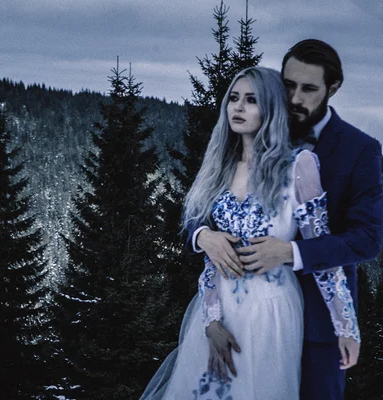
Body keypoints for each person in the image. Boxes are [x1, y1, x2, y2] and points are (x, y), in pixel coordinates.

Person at [140, 66, 360, 400]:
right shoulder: (220, 165)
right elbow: (210, 252)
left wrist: (346, 328)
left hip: (271, 311)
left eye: (252, 100)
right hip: (215, 310)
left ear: (271, 108)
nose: (238, 108)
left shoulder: (299, 165)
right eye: (234, 98)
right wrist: (211, 320)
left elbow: (324, 251)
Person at [195, 39, 383, 399]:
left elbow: (367, 239)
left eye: (309, 88)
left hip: (314, 321)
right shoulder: (241, 137)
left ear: (333, 88)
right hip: (234, 314)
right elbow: (199, 207)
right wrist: (204, 235)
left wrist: (290, 253)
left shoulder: (359, 149)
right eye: (288, 85)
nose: (295, 98)